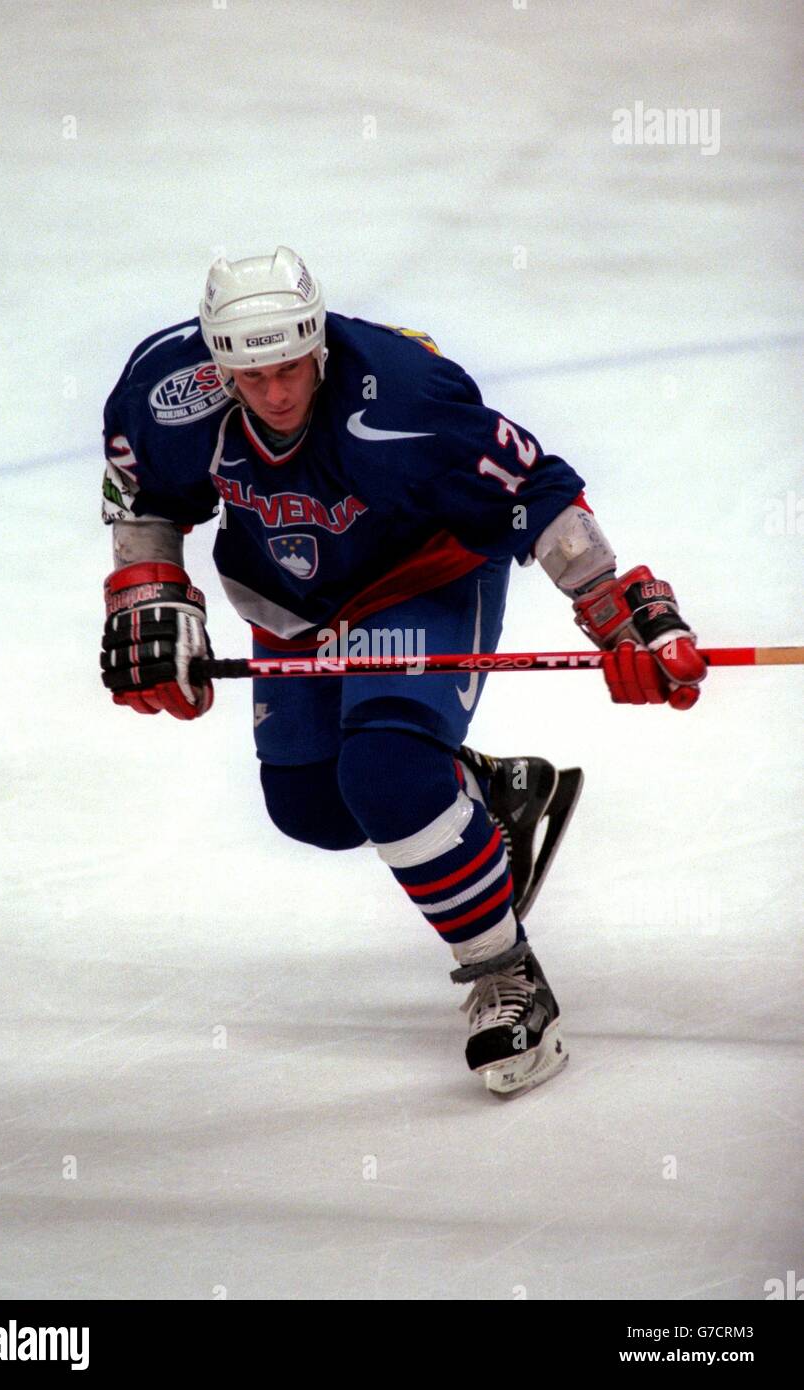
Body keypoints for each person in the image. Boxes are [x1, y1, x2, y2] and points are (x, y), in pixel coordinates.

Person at [99, 247, 706, 1095]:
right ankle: (492, 799)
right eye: (251, 373)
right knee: (315, 807)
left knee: (385, 771)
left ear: (317, 344)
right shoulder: (169, 393)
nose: (274, 394)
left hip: (424, 574)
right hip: (289, 595)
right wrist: (147, 593)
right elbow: (147, 499)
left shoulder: (406, 396)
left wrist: (618, 611)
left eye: (289, 368)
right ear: (218, 361)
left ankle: (506, 974)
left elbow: (537, 492)